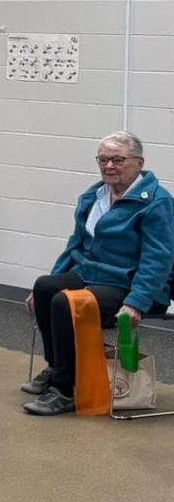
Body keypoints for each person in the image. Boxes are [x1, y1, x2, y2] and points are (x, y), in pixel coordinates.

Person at [21, 131, 174, 416]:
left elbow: (159, 259)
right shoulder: (94, 195)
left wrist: (136, 302)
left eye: (118, 159)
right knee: (45, 287)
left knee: (65, 302)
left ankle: (65, 391)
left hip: (131, 286)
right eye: (103, 160)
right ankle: (57, 368)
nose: (109, 166)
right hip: (91, 274)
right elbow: (75, 245)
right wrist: (54, 277)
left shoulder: (156, 202)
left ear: (139, 163)